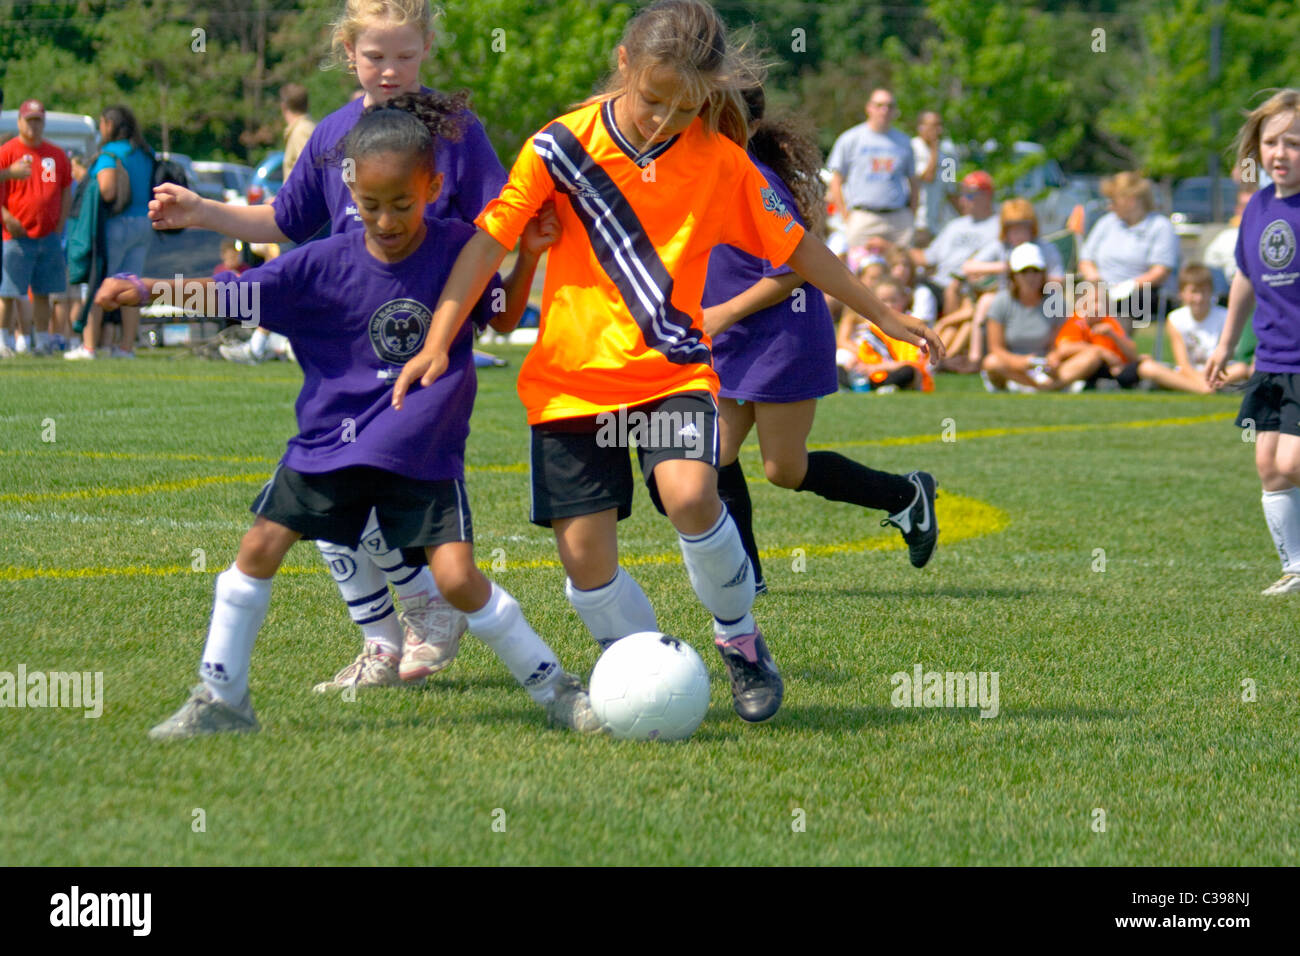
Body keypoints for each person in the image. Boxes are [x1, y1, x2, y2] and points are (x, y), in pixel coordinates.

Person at [391, 0, 944, 724]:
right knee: (587, 566)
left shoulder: (719, 161)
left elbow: (799, 248)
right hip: (570, 385)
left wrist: (884, 314)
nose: (663, 121)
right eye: (653, 100)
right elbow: (489, 243)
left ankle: (741, 641)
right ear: (624, 64)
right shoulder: (559, 148)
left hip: (671, 371)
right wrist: (438, 337)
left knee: (691, 495)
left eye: (685, 108)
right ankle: (649, 670)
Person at [95, 97, 594, 738]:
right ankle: (221, 699)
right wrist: (150, 289)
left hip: (421, 447)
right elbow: (235, 290)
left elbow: (497, 315)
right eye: (371, 205)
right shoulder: (321, 264)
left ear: (433, 188)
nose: (386, 220)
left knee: (457, 578)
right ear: (350, 188)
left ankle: (556, 689)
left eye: (403, 204)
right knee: (257, 549)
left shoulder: (458, 249)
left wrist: (526, 257)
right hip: (331, 444)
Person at [150, 0, 508, 690]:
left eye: (405, 55)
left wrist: (481, 308)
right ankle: (382, 642)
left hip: (418, 353)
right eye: (376, 56)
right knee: (323, 492)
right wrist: (201, 212)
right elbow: (286, 221)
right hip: (342, 350)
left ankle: (431, 609)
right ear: (349, 54)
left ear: (427, 48)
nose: (391, 70)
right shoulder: (332, 135)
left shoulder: (455, 132)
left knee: (363, 481)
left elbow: (497, 227)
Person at [697, 86, 936, 598]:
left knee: (785, 469)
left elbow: (793, 272)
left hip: (781, 336)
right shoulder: (704, 175)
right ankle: (746, 579)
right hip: (731, 338)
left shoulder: (758, 183)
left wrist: (722, 312)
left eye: (715, 117)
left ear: (748, 127)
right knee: (715, 455)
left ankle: (906, 494)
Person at [1206, 89, 1300, 595]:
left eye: (1295, 143)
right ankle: (1296, 570)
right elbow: (1245, 276)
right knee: (1269, 464)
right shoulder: (1259, 207)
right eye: (1272, 142)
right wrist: (1224, 344)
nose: (1281, 153)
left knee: (1292, 460)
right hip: (1271, 358)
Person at [64, 105, 155, 360]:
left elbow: (108, 190)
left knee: (98, 284)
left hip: (117, 226)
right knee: (132, 285)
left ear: (109, 125)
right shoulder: (145, 152)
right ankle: (126, 347)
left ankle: (89, 347)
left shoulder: (109, 154)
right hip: (143, 224)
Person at [0, 99, 73, 356]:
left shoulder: (55, 155)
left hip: (47, 235)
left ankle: (42, 341)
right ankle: (3, 340)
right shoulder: (7, 152)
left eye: (38, 120)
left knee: (44, 291)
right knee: (8, 291)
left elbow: (64, 189)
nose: (34, 126)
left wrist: (60, 223)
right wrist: (5, 216)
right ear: (20, 122)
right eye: (29, 120)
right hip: (15, 234)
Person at [1079, 171, 1179, 332]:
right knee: (1082, 298)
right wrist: (1095, 281)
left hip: (1140, 293)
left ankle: (1113, 345)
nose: (1109, 206)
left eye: (1113, 200)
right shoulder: (1106, 223)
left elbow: (1160, 272)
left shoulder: (1160, 226)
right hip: (1100, 291)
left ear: (1131, 201)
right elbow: (1086, 260)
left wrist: (1126, 287)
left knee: (1119, 305)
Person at [826, 87, 917, 248]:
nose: (884, 110)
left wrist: (911, 214)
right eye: (879, 105)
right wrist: (846, 215)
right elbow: (835, 181)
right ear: (869, 108)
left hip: (898, 219)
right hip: (863, 216)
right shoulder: (850, 139)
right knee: (857, 268)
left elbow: (914, 182)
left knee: (902, 269)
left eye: (890, 106)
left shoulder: (904, 141)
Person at [1137, 263, 1248, 393]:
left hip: (1218, 372)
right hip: (1188, 372)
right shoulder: (1175, 319)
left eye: (1204, 291)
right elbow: (1183, 364)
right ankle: (1202, 388)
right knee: (1147, 368)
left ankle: (1196, 387)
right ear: (1182, 293)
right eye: (1194, 291)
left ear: (1211, 291)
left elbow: (1228, 357)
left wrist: (1207, 377)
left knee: (1241, 369)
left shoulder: (1224, 316)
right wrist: (1198, 379)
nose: (1199, 298)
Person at [979, 243, 1063, 391]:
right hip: (1012, 366)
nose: (1031, 277)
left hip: (1047, 366)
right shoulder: (1001, 301)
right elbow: (996, 348)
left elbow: (1058, 343)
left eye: (1036, 271)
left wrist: (1054, 357)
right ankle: (1042, 387)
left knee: (1089, 356)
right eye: (1024, 272)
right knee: (992, 363)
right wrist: (1021, 362)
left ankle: (1045, 385)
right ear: (1014, 275)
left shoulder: (1056, 302)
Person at [835, 277, 934, 394]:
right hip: (872, 373)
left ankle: (884, 386)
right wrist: (857, 361)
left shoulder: (911, 325)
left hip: (895, 371)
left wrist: (876, 367)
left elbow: (911, 363)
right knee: (838, 369)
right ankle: (859, 385)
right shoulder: (872, 328)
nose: (889, 305)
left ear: (904, 300)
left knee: (908, 372)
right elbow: (866, 353)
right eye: (883, 301)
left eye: (893, 300)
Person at [1048, 281, 1139, 391]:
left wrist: (1113, 335)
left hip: (1112, 370)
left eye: (1103, 302)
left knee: (1145, 365)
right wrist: (1102, 352)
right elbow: (1064, 348)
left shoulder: (1108, 322)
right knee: (1092, 356)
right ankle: (1049, 386)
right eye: (1095, 302)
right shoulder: (1076, 322)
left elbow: (1133, 355)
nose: (1100, 306)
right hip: (1079, 368)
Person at [962, 197, 1065, 290]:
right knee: (986, 301)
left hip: (1039, 300)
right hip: (1007, 300)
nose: (1019, 234)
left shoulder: (1046, 248)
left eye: (1023, 228)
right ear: (1005, 230)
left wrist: (1030, 275)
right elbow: (968, 267)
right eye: (1013, 229)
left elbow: (1058, 279)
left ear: (1032, 228)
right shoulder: (1001, 247)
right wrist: (1006, 267)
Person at [911, 110, 958, 246]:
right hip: (917, 221)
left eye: (939, 125)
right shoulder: (911, 149)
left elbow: (951, 191)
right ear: (920, 127)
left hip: (939, 224)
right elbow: (927, 177)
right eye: (933, 125)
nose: (938, 130)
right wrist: (934, 150)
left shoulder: (948, 155)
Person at [279, 83, 317, 180]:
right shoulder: (310, 126)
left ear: (283, 107)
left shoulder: (301, 131)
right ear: (307, 105)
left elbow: (310, 173)